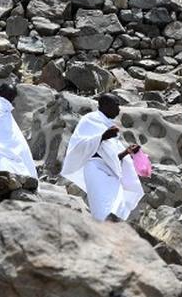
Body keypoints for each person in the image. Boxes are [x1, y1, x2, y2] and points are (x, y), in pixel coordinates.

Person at [60, 93, 143, 221]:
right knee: (101, 211)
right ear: (105, 105)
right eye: (116, 105)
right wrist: (102, 137)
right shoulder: (90, 120)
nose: (119, 109)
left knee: (116, 208)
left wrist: (127, 152)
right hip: (95, 171)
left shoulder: (107, 125)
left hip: (111, 174)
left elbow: (111, 158)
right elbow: (78, 147)